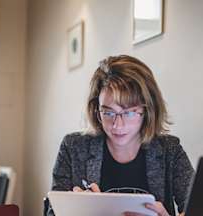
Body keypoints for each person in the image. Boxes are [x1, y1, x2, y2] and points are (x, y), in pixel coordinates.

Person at [49, 55, 194, 216]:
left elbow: (197, 208)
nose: (117, 125)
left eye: (129, 112)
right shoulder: (73, 147)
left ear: (148, 111)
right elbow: (51, 212)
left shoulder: (169, 150)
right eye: (108, 112)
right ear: (96, 109)